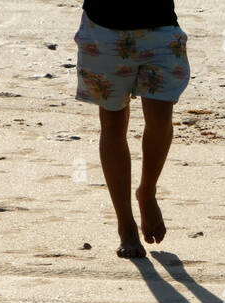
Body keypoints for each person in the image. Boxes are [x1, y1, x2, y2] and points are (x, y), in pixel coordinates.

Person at [75, 1, 190, 259]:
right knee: (113, 122)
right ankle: (125, 225)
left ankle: (147, 192)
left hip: (159, 25)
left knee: (160, 119)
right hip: (103, 27)